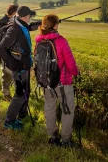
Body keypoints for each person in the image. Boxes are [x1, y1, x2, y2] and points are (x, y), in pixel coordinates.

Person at [35, 14, 79, 147]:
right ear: (55, 25)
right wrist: (76, 73)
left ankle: (53, 137)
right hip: (62, 83)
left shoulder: (39, 41)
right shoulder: (61, 41)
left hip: (46, 82)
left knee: (49, 108)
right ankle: (66, 140)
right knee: (67, 109)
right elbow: (71, 64)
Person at [0, 6, 40, 130]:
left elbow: (30, 27)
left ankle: (22, 114)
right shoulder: (14, 29)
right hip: (19, 67)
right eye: (29, 16)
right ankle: (9, 121)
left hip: (24, 66)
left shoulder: (21, 24)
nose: (30, 18)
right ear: (24, 17)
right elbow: (0, 49)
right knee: (20, 94)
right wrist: (13, 64)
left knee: (26, 91)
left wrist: (43, 24)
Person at [0, 4, 18, 101]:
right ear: (14, 13)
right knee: (7, 73)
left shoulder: (3, 21)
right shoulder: (4, 22)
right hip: (6, 52)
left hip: (6, 52)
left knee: (8, 73)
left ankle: (10, 92)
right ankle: (6, 94)